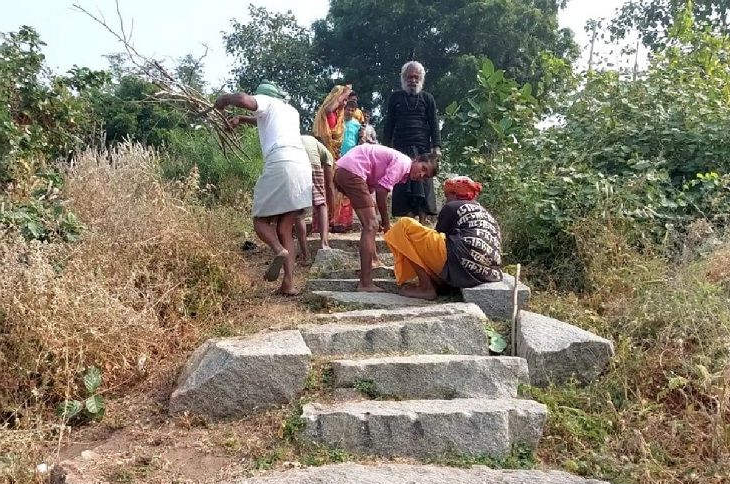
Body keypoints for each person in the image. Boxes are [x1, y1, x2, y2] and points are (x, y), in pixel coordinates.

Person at [214, 80, 311, 296]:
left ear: (264, 96)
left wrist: (224, 99)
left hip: (281, 161)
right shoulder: (290, 111)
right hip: (302, 166)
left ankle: (278, 250)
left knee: (260, 221)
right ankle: (289, 284)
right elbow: (262, 119)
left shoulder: (266, 101)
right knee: (285, 228)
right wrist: (242, 119)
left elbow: (243, 100)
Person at [334, 144, 439, 292]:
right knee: (371, 225)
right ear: (416, 160)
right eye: (423, 168)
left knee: (369, 224)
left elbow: (373, 184)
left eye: (425, 176)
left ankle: (374, 260)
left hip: (345, 170)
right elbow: (381, 191)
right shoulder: (403, 163)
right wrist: (386, 222)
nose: (421, 175)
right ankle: (365, 283)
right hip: (352, 171)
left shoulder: (402, 168)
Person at [383, 176, 502, 300]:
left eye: (447, 195)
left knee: (404, 225)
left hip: (461, 264)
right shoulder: (484, 211)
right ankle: (438, 284)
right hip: (487, 273)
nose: (446, 200)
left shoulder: (452, 206)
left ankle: (426, 287)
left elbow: (436, 239)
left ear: (455, 194)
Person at [383, 61, 442, 224]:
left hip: (423, 149)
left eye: (416, 77)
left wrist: (436, 146)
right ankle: (408, 222)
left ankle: (422, 222)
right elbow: (389, 124)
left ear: (421, 79)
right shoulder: (395, 98)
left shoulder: (427, 98)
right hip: (400, 148)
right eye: (409, 77)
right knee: (403, 184)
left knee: (423, 182)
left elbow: (434, 123)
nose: (413, 80)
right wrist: (385, 147)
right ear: (403, 78)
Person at [313, 85, 355, 232]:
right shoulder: (329, 113)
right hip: (325, 156)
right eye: (343, 100)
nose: (344, 103)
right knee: (329, 188)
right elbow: (329, 108)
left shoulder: (339, 115)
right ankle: (328, 221)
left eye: (346, 100)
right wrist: (344, 93)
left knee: (338, 187)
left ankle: (337, 221)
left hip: (335, 156)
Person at [295, 135, 335, 261]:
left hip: (293, 166)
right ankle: (324, 244)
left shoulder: (300, 139)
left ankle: (305, 254)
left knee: (299, 211)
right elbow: (329, 185)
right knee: (321, 204)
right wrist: (332, 209)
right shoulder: (326, 153)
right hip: (312, 165)